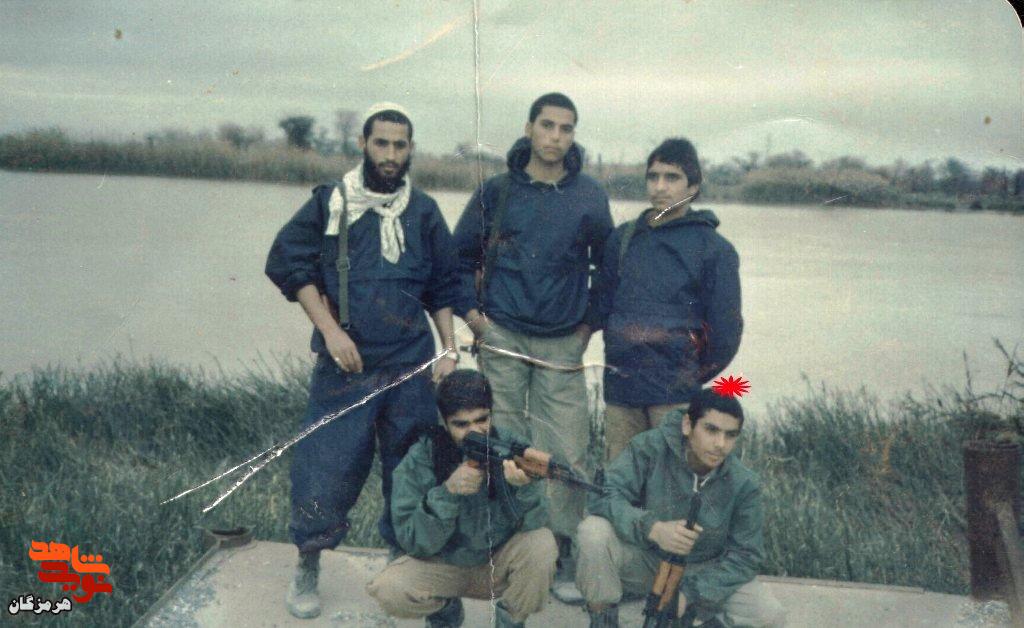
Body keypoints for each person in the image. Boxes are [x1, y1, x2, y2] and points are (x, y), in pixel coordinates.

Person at [265, 102, 467, 619]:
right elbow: (288, 263)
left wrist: (448, 349)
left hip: (409, 365)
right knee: (325, 467)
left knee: (411, 468)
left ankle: (402, 561)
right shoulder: (331, 202)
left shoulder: (423, 211)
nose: (391, 155)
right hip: (347, 367)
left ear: (411, 149)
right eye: (382, 143)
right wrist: (331, 332)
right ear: (363, 144)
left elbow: (443, 285)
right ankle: (308, 560)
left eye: (400, 145)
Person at [451, 92, 614, 594]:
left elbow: (608, 271)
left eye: (566, 128)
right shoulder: (497, 191)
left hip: (563, 343)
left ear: (573, 135)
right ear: (529, 128)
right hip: (501, 336)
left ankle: (561, 551)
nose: (555, 137)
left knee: (567, 450)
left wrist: (586, 329)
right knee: (503, 445)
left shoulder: (589, 196)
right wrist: (476, 320)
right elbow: (457, 260)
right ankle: (511, 546)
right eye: (547, 125)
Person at [575, 388, 785, 627]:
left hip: (706, 570)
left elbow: (746, 556)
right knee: (593, 532)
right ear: (687, 425)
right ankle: (603, 619)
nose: (720, 444)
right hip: (648, 560)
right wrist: (652, 528)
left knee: (769, 616)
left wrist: (691, 593)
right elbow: (602, 495)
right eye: (711, 430)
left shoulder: (744, 483)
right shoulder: (649, 447)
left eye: (730, 435)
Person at [367, 369, 557, 628]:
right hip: (444, 566)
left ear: (491, 414)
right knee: (389, 589)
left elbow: (538, 523)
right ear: (444, 422)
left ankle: (511, 620)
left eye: (482, 420)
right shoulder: (422, 457)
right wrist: (447, 493)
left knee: (543, 545)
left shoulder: (511, 447)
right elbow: (412, 541)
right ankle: (445, 612)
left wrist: (523, 489)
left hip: (496, 563)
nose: (475, 431)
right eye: (461, 424)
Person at [594, 138, 742, 463]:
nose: (660, 186)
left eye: (672, 177)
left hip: (673, 397)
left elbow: (726, 334)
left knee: (672, 479)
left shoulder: (715, 249)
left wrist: (687, 376)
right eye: (653, 176)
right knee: (622, 478)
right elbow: (603, 306)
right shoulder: (623, 238)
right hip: (621, 392)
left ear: (694, 186)